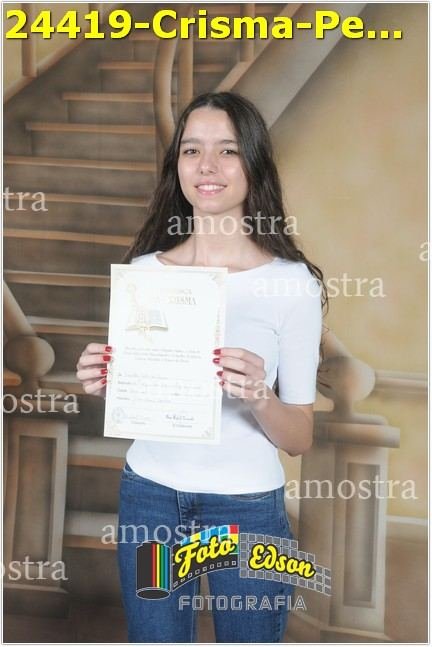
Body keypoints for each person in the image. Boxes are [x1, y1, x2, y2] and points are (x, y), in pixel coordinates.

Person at [76, 91, 328, 643]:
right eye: (192, 150)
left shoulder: (291, 285)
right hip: (150, 501)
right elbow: (147, 394)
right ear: (178, 166)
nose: (207, 166)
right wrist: (108, 381)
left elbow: (300, 438)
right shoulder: (144, 273)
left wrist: (260, 394)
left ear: (253, 164)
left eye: (227, 151)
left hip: (248, 510)